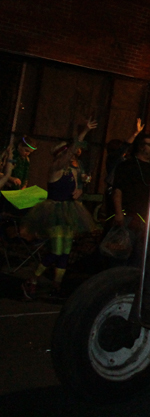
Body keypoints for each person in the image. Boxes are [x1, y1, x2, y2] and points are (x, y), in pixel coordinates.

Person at [22, 119, 98, 298]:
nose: (71, 155)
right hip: (55, 212)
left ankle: (57, 284)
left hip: (69, 211)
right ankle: (33, 278)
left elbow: (79, 183)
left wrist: (80, 189)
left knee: (65, 251)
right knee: (56, 250)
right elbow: (72, 150)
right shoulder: (56, 167)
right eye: (66, 153)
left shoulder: (72, 170)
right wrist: (84, 131)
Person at [112, 133, 150, 266]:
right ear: (141, 147)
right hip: (130, 215)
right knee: (123, 252)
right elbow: (117, 190)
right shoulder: (127, 166)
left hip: (148, 217)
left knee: (140, 255)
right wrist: (119, 213)